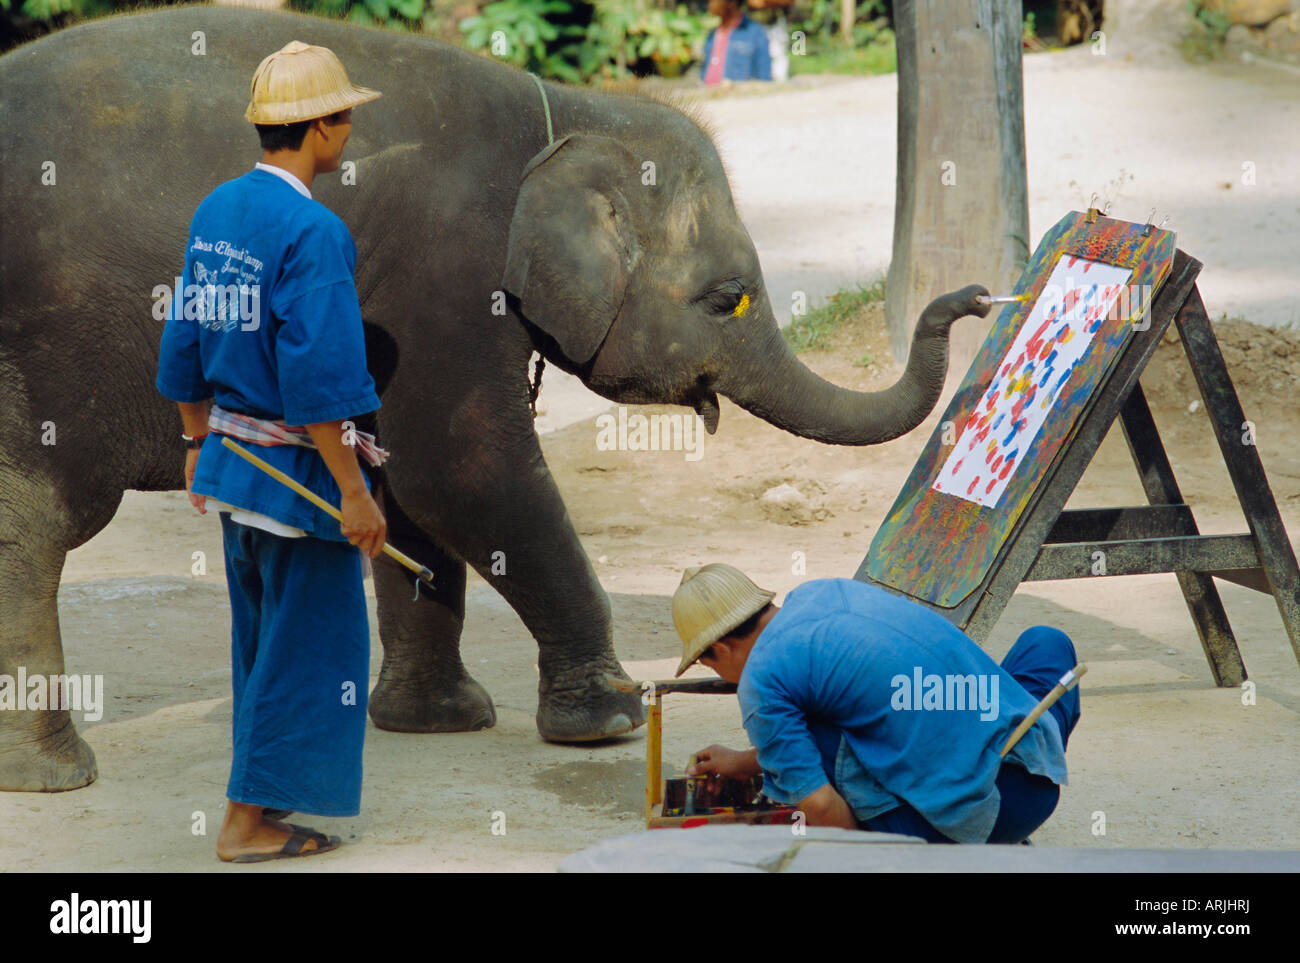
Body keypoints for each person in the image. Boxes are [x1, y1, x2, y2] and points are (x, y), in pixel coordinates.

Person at [156, 41, 387, 862]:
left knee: (260, 642)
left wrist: (193, 441)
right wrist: (354, 493)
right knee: (311, 648)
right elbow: (322, 377)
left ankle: (256, 811)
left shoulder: (216, 209)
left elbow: (185, 337)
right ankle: (246, 822)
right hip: (296, 483)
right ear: (319, 128)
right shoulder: (314, 231)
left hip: (230, 467)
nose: (351, 128)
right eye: (345, 115)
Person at [672, 564, 1081, 843]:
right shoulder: (823, 591)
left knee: (814, 756)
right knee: (1046, 642)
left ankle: (960, 844)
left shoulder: (761, 683)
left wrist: (871, 854)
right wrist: (742, 762)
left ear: (720, 648)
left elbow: (818, 803)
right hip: (1035, 764)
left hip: (991, 812)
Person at [701, 0, 772, 86]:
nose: (710, 4)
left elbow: (764, 77)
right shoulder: (712, 34)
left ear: (732, 2)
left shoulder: (755, 33)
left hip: (738, 97)